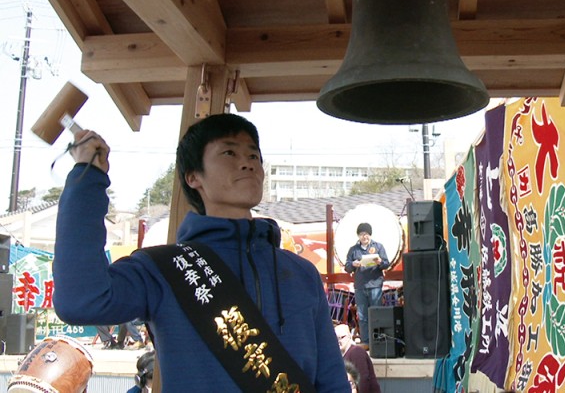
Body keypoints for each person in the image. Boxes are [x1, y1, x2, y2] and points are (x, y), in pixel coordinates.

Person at [53, 113, 350, 392]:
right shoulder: (162, 269)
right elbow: (81, 301)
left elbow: (331, 379)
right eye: (229, 153)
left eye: (253, 155)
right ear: (194, 176)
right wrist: (87, 177)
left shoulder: (300, 272)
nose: (248, 164)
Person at [344, 222, 390, 349]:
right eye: (361, 234)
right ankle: (366, 341)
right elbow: (347, 267)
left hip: (375, 285)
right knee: (362, 315)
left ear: (370, 235)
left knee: (377, 314)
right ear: (358, 236)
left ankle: (378, 341)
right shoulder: (353, 250)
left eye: (366, 234)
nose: (364, 237)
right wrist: (353, 264)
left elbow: (386, 264)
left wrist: (380, 262)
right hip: (360, 286)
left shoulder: (378, 247)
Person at [335, 324, 380, 393]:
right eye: (336, 338)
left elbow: (363, 380)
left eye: (342, 337)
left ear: (350, 336)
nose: (339, 341)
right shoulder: (344, 355)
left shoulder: (356, 352)